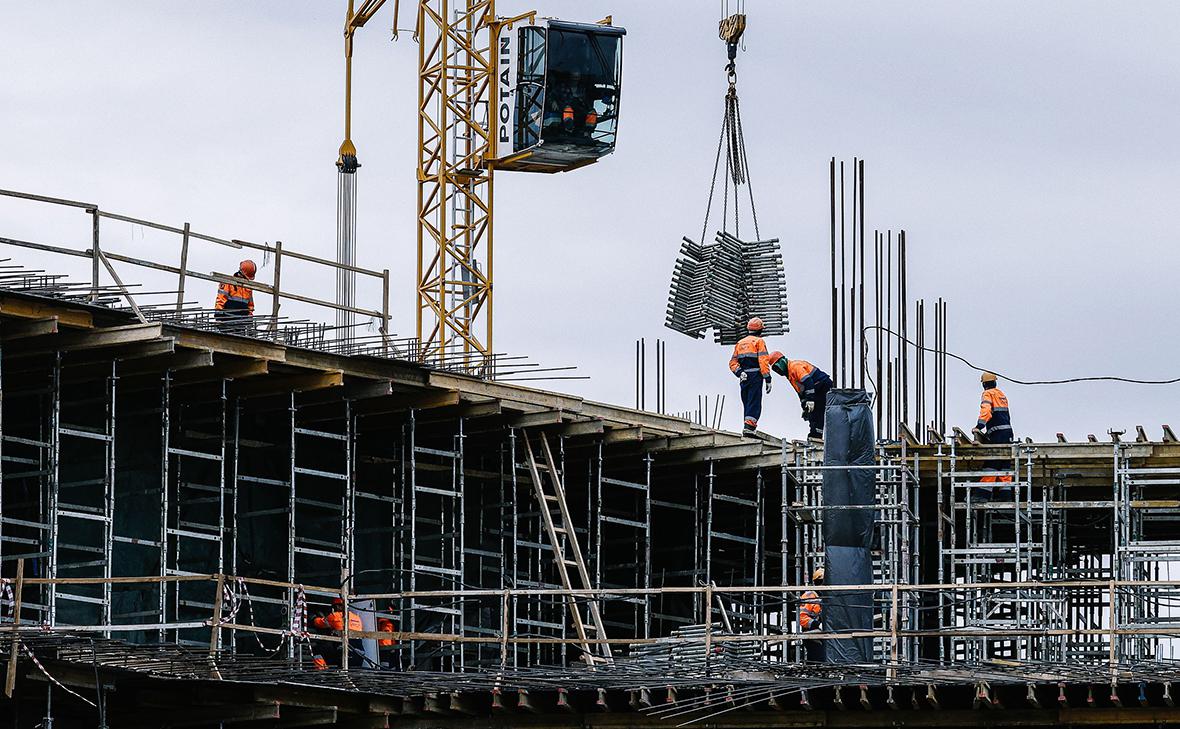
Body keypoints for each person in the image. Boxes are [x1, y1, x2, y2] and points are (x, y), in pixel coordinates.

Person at [768, 353, 833, 440]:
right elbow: (801, 392)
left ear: (782, 361)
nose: (778, 371)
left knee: (817, 413)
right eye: (775, 370)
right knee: (813, 413)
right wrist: (804, 407)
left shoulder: (795, 366)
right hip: (816, 389)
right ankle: (815, 435)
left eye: (777, 367)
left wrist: (810, 400)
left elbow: (808, 381)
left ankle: (816, 435)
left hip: (822, 386)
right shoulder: (790, 375)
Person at [972, 371, 1014, 502]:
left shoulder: (987, 394)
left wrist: (979, 426)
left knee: (992, 463)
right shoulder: (1002, 395)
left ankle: (982, 495)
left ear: (984, 384)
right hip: (1008, 434)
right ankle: (1005, 496)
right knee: (1004, 465)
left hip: (998, 435)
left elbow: (986, 411)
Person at [728, 318, 771, 436]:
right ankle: (749, 427)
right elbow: (763, 361)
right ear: (760, 330)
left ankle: (747, 426)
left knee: (746, 401)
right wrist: (767, 378)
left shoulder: (740, 343)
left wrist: (739, 372)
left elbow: (732, 363)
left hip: (744, 377)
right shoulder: (759, 342)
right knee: (754, 401)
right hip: (755, 375)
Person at [310, 597, 364, 667]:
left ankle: (323, 672)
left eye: (334, 607)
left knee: (316, 649)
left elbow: (318, 623)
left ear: (338, 606)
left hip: (343, 652)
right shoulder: (357, 617)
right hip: (359, 653)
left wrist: (313, 617)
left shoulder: (334, 616)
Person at [214, 259, 256, 332]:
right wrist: (219, 317)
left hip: (241, 323)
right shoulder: (228, 283)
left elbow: (250, 305)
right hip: (227, 320)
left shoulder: (248, 288)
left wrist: (249, 319)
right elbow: (220, 300)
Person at [800, 567, 825, 662]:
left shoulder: (826, 595)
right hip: (811, 635)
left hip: (823, 635)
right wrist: (817, 624)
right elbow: (802, 618)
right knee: (818, 660)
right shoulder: (809, 596)